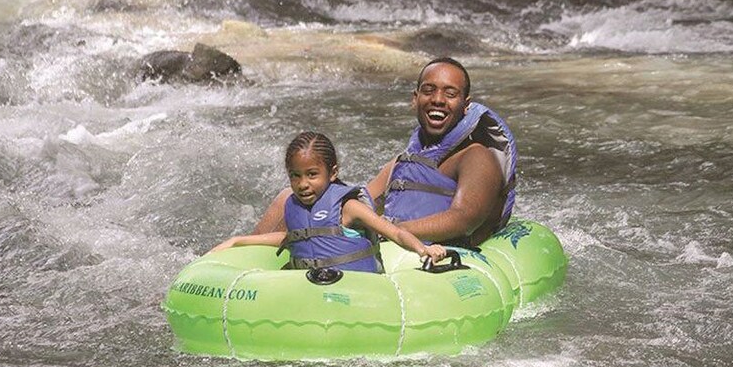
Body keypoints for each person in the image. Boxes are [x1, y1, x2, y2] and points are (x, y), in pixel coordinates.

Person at [253, 57, 516, 248]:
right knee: (289, 197)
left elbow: (463, 220)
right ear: (415, 98)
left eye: (450, 93)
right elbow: (357, 201)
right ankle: (246, 260)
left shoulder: (476, 157)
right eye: (429, 90)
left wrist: (389, 231)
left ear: (466, 106)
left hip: (436, 253)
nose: (437, 99)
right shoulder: (402, 162)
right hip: (394, 243)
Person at [212, 131, 447, 271]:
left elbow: (394, 233)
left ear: (332, 173)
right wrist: (238, 241)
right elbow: (291, 238)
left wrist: (423, 249)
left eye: (312, 174)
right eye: (295, 175)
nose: (303, 184)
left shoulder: (349, 207)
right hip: (310, 289)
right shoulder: (294, 205)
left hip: (353, 291)